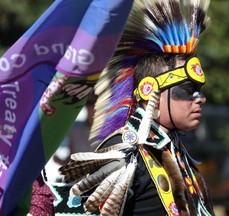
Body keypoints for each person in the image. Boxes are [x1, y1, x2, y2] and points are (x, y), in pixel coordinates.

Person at [54, 0, 215, 215]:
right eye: (186, 90)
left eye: (199, 90)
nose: (200, 98)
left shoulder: (176, 152)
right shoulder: (124, 153)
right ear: (151, 93)